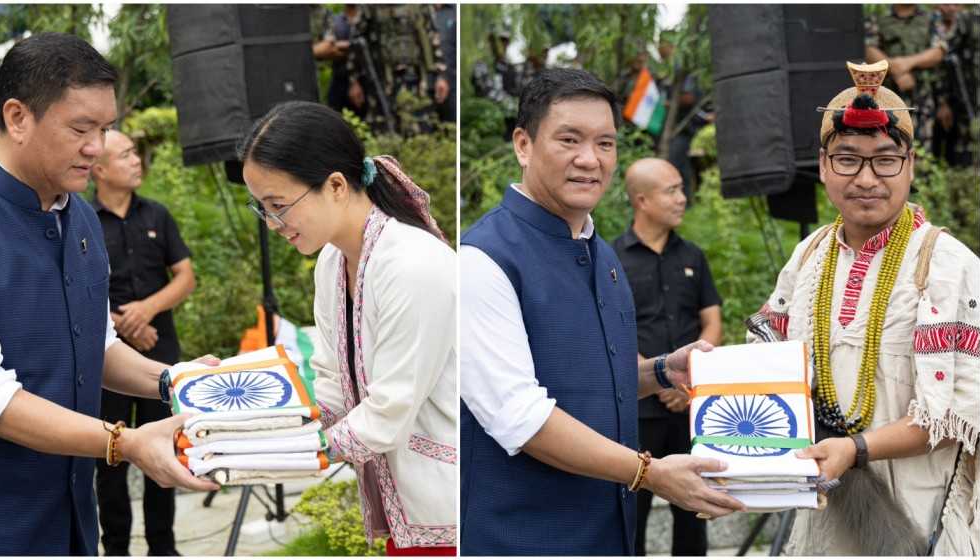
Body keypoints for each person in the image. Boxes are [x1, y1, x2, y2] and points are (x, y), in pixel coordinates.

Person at [0, 32, 217, 556]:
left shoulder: (78, 213)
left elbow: (97, 343)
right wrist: (125, 443)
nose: (98, 147)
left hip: (72, 519)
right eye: (81, 128)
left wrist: (175, 380)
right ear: (17, 118)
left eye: (106, 128)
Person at [460, 68, 745, 556]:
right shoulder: (482, 260)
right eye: (569, 139)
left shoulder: (601, 254)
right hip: (525, 538)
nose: (590, 160)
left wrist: (659, 371)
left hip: (608, 535)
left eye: (606, 144)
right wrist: (650, 473)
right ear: (523, 145)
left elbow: (588, 381)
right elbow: (521, 417)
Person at [753, 60, 978, 555]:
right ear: (824, 164)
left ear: (911, 164)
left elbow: (959, 412)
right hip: (822, 509)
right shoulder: (809, 254)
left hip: (917, 515)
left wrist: (854, 449)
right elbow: (769, 360)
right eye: (848, 159)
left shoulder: (947, 266)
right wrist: (713, 383)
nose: (867, 178)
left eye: (885, 160)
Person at [238, 100, 457, 555]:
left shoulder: (413, 265)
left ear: (336, 185)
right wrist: (261, 426)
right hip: (408, 503)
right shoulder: (332, 263)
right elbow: (335, 385)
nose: (274, 224)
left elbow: (387, 412)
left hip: (453, 505)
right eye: (262, 208)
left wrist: (297, 450)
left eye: (279, 205)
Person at [91, 129, 196, 556]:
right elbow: (79, 286)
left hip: (161, 355)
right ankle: (115, 548)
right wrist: (123, 323)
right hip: (109, 361)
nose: (137, 161)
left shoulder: (157, 215)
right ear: (99, 169)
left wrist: (146, 311)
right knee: (111, 455)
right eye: (127, 154)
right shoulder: (81, 220)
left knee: (164, 451)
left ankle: (163, 547)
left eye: (136, 154)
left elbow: (185, 277)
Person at [610, 158, 723, 556]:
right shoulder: (612, 260)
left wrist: (689, 381)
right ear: (642, 200)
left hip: (692, 403)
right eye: (671, 190)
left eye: (681, 189)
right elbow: (614, 330)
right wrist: (658, 379)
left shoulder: (692, 255)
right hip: (640, 407)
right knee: (632, 506)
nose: (682, 198)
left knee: (696, 505)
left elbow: (711, 321)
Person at [345, 4, 449, 135]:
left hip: (416, 79)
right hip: (381, 81)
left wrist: (441, 75)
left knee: (420, 129)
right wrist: (353, 81)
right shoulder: (369, 6)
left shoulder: (422, 5)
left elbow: (433, 38)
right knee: (384, 129)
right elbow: (356, 43)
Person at [865, 4, 948, 154]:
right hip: (887, 98)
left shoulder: (932, 17)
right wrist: (896, 70)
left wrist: (907, 63)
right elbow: (869, 49)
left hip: (922, 97)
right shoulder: (879, 16)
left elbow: (939, 51)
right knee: (888, 147)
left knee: (921, 150)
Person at [931, 4, 980, 167]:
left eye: (956, 4)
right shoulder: (933, 24)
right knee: (957, 154)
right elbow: (942, 66)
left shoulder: (973, 20)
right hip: (955, 104)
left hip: (972, 99)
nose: (951, 8)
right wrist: (943, 102)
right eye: (946, 3)